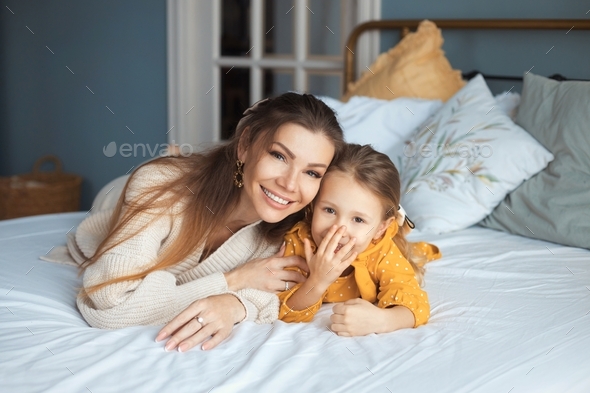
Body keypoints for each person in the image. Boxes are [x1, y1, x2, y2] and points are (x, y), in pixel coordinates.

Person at [55, 93, 345, 352]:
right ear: (244, 145)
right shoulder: (157, 185)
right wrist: (233, 281)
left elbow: (274, 302)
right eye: (279, 156)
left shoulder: (298, 228)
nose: (290, 184)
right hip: (131, 195)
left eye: (312, 173)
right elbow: (112, 305)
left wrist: (235, 305)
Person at [278, 144, 441, 336]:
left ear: (381, 228)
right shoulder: (300, 243)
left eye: (358, 219)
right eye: (329, 210)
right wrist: (318, 281)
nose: (339, 229)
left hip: (388, 248)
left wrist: (383, 321)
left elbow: (416, 306)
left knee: (410, 257)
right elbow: (286, 312)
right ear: (314, 206)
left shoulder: (380, 250)